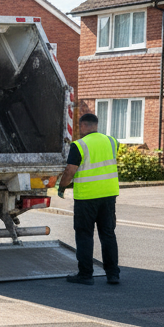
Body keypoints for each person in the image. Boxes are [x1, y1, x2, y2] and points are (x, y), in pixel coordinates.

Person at [58, 112, 121, 285]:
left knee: (85, 235)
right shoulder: (112, 141)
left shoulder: (79, 145)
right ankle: (113, 274)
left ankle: (85, 275)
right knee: (108, 234)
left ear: (83, 126)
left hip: (86, 197)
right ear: (96, 125)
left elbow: (70, 170)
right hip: (108, 195)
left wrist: (62, 187)